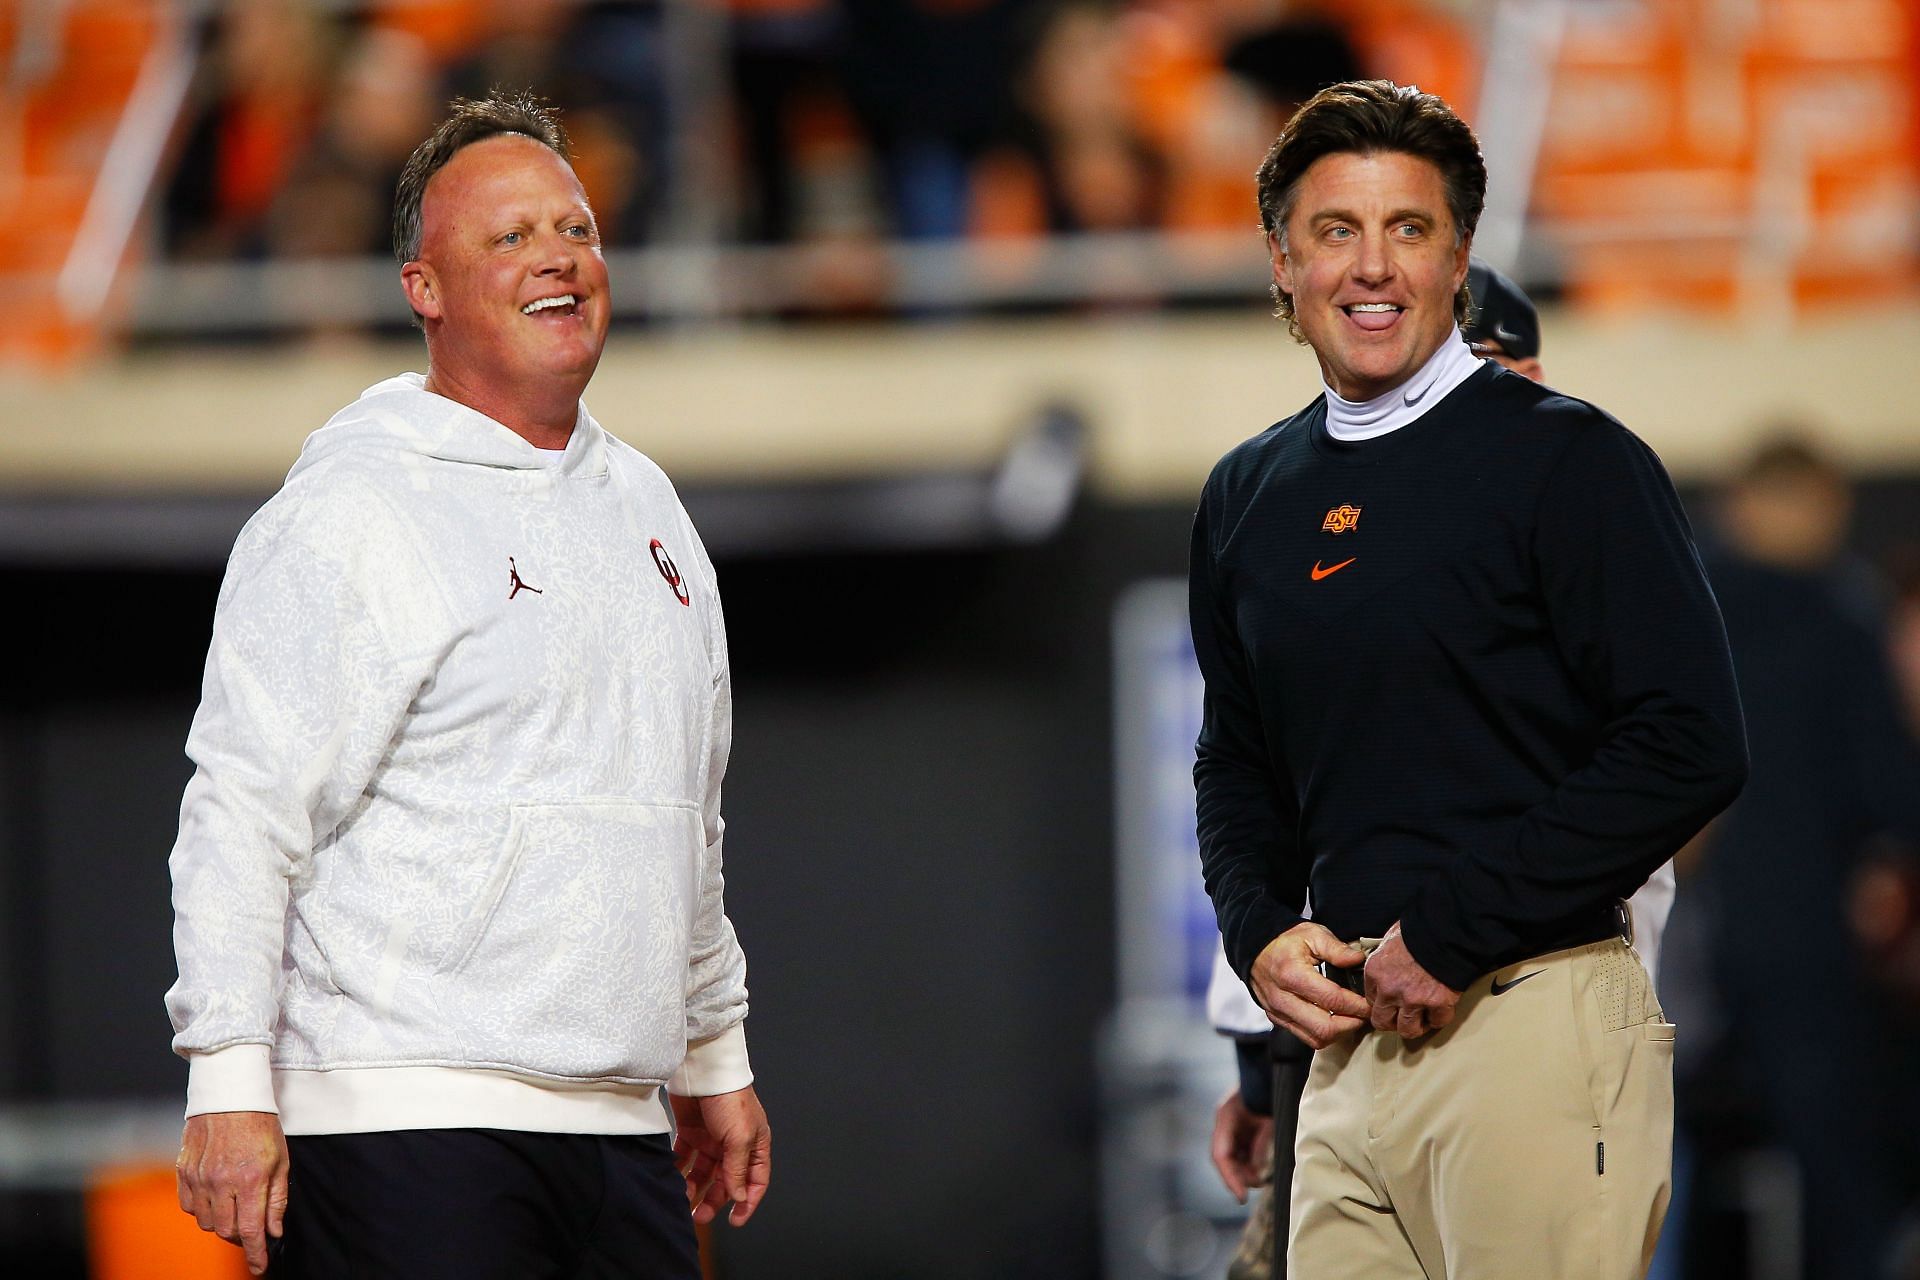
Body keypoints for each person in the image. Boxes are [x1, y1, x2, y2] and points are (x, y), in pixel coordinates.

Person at [166, 92, 770, 1279]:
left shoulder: (653, 513)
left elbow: (684, 820)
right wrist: (227, 1075)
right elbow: (241, 808)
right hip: (398, 1126)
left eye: (579, 230)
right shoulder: (351, 510)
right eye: (509, 236)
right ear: (422, 288)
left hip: (620, 1126)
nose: (558, 255)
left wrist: (710, 1051)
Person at [1190, 80, 1747, 1278]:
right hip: (1345, 1056)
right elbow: (1236, 759)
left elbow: (1691, 740)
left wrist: (1451, 927)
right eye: (1337, 229)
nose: (1373, 266)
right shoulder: (1246, 493)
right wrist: (1257, 937)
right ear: (1281, 261)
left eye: (1411, 228)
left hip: (1531, 1011)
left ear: (1458, 259)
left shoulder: (1574, 459)